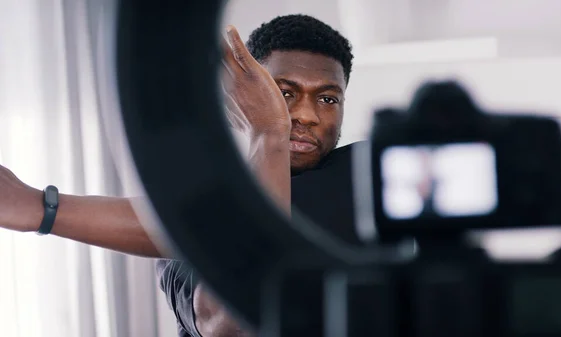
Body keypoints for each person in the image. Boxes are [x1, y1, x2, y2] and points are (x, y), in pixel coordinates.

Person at [0, 14, 358, 337]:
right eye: (283, 93)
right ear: (244, 95)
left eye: (328, 99)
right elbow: (231, 324)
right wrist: (268, 132)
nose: (307, 115)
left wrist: (45, 209)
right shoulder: (179, 243)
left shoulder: (363, 175)